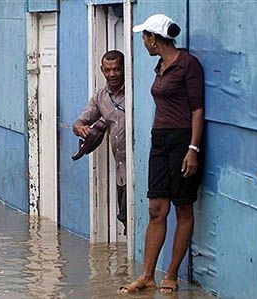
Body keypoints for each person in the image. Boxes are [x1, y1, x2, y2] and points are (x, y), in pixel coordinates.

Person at [118, 14, 204, 294]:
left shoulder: (188, 64)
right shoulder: (161, 66)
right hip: (160, 141)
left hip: (182, 141)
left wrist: (192, 148)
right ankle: (147, 276)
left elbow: (197, 110)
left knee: (182, 207)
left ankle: (171, 274)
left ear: (153, 38)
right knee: (156, 208)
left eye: (144, 37)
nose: (143, 42)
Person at [72, 50, 127, 234]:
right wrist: (81, 128)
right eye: (108, 70)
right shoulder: (100, 98)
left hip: (140, 168)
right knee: (126, 218)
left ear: (124, 68)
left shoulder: (136, 91)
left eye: (117, 69)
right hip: (121, 171)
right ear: (102, 70)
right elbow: (78, 123)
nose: (112, 74)